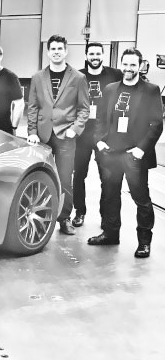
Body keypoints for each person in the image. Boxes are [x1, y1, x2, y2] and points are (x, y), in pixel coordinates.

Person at [88, 47, 163, 258]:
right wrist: (99, 142)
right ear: (121, 64)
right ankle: (110, 234)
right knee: (109, 196)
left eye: (133, 65)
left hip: (134, 155)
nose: (128, 68)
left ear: (140, 66)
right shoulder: (111, 89)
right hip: (110, 153)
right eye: (126, 64)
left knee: (141, 199)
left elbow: (156, 124)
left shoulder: (150, 90)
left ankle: (144, 242)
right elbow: (100, 119)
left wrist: (140, 150)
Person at [27, 34, 90, 235]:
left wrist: (75, 129)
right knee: (39, 178)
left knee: (64, 180)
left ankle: (64, 219)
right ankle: (39, 219)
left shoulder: (78, 77)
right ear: (48, 52)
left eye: (59, 49)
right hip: (42, 137)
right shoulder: (38, 77)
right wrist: (32, 132)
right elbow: (32, 107)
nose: (56, 52)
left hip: (66, 136)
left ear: (66, 51)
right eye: (52, 49)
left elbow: (84, 109)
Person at [71, 42, 123, 227]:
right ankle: (79, 212)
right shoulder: (77, 76)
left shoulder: (115, 75)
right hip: (82, 135)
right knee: (79, 176)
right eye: (91, 54)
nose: (95, 57)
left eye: (98, 53)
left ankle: (105, 216)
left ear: (103, 55)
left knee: (107, 178)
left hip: (105, 135)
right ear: (86, 56)